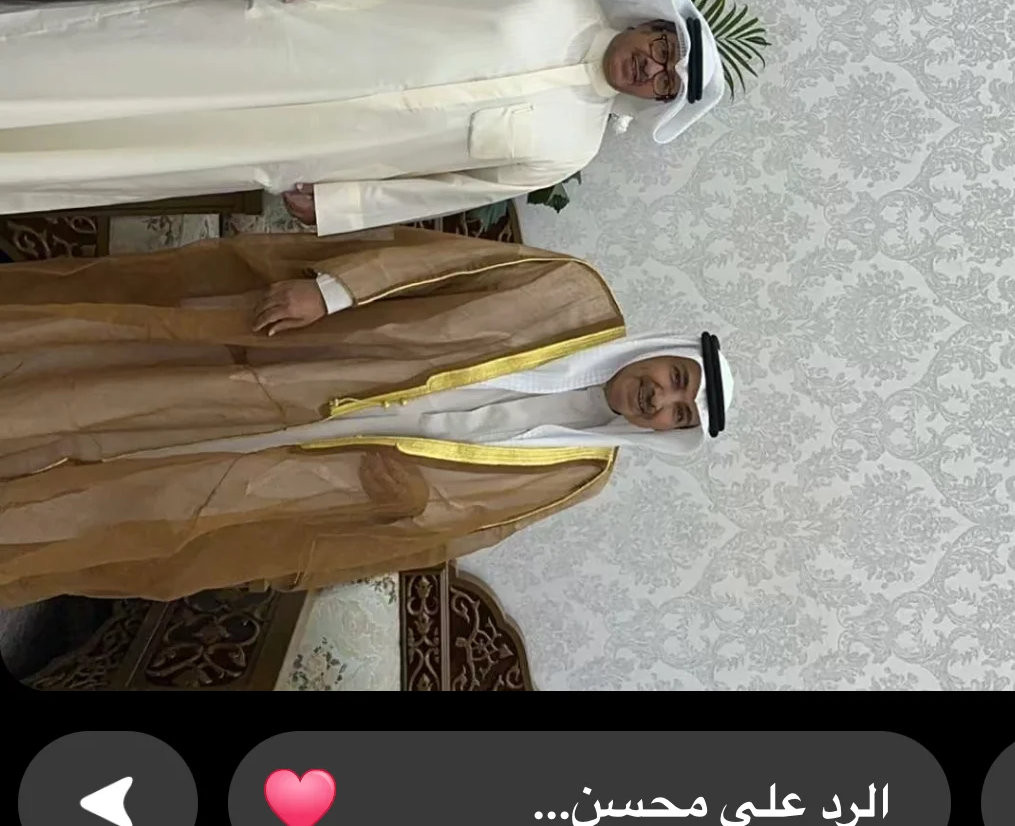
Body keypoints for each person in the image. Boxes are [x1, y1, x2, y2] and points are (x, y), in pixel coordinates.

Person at [0, 223, 733, 604]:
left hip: (317, 476)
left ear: (668, 434)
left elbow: (455, 527)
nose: (659, 398)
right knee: (122, 386)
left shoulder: (578, 475)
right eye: (675, 379)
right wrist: (334, 292)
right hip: (312, 358)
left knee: (138, 500)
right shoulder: (573, 294)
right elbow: (440, 265)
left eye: (676, 415)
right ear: (664, 352)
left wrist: (407, 502)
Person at [0, 0, 726, 220]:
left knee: (149, 147)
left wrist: (346, 203)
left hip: (316, 139)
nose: (654, 68)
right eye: (664, 49)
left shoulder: (569, 147)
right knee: (119, 56)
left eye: (666, 83)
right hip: (290, 45)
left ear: (655, 102)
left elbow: (451, 190)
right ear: (652, 23)